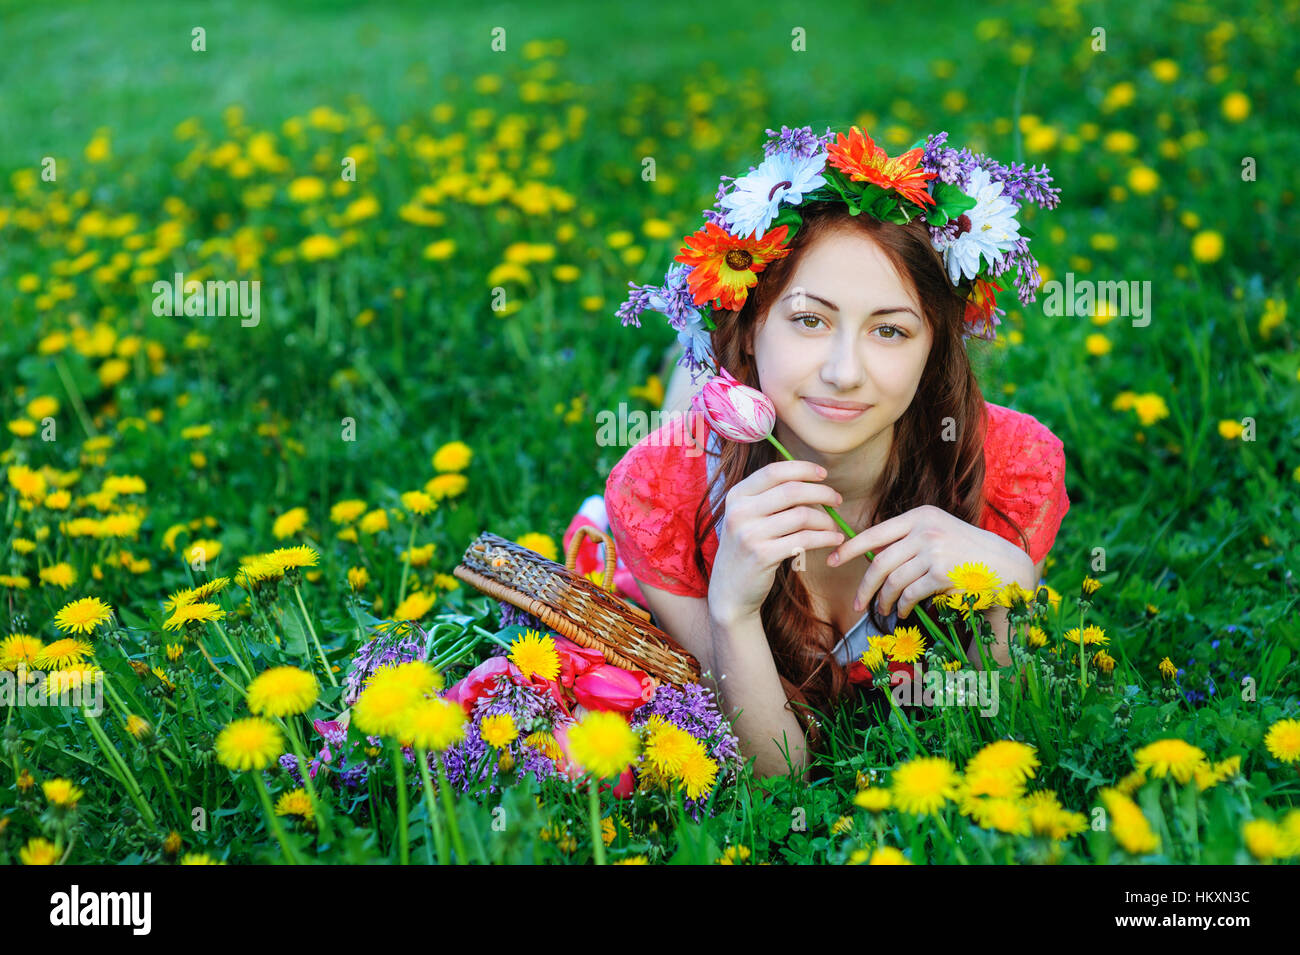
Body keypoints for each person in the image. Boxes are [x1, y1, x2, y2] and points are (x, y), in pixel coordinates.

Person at [591, 125, 1068, 780]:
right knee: (686, 435)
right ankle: (696, 371)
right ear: (754, 325)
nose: (846, 372)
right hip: (702, 462)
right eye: (810, 319)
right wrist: (731, 608)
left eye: (891, 330)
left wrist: (1009, 586)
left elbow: (998, 733)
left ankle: (706, 371)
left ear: (935, 350)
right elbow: (775, 772)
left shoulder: (1007, 466)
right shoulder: (662, 496)